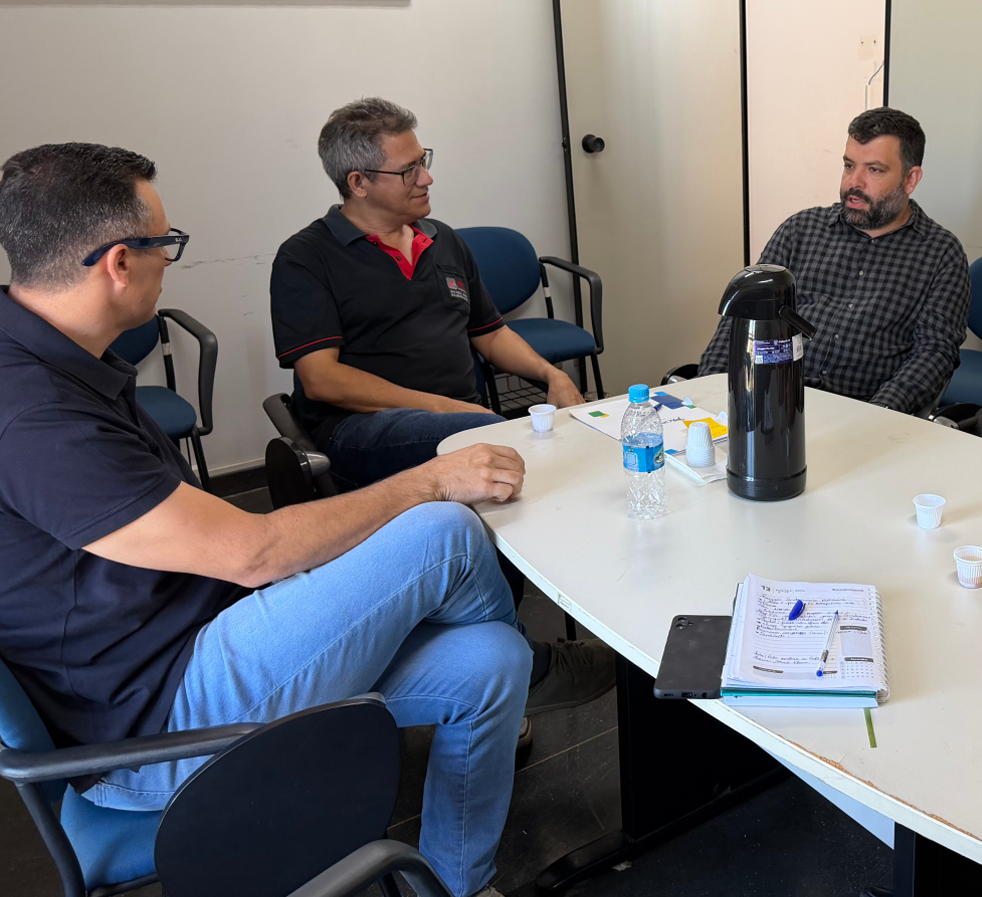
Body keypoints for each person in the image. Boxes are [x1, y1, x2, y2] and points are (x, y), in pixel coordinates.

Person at [0, 143, 545, 897]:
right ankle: (520, 644)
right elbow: (251, 553)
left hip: (196, 638)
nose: (172, 260)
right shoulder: (33, 412)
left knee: (490, 662)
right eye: (167, 244)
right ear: (118, 263)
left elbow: (218, 542)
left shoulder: (60, 357)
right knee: (442, 527)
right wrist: (428, 481)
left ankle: (458, 884)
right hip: (159, 725)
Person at [271, 97, 584, 489]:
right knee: (503, 448)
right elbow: (321, 379)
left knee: (535, 453)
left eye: (423, 161)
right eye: (408, 170)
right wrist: (444, 409)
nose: (426, 178)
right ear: (358, 183)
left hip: (463, 418)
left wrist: (551, 374)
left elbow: (490, 333)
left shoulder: (442, 239)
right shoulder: (306, 257)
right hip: (360, 430)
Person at [697, 106, 970, 415]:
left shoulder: (941, 255)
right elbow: (743, 318)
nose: (854, 182)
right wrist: (709, 391)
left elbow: (933, 355)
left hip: (859, 414)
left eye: (874, 170)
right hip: (770, 403)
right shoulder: (801, 230)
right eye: (849, 165)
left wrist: (877, 414)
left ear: (910, 179)